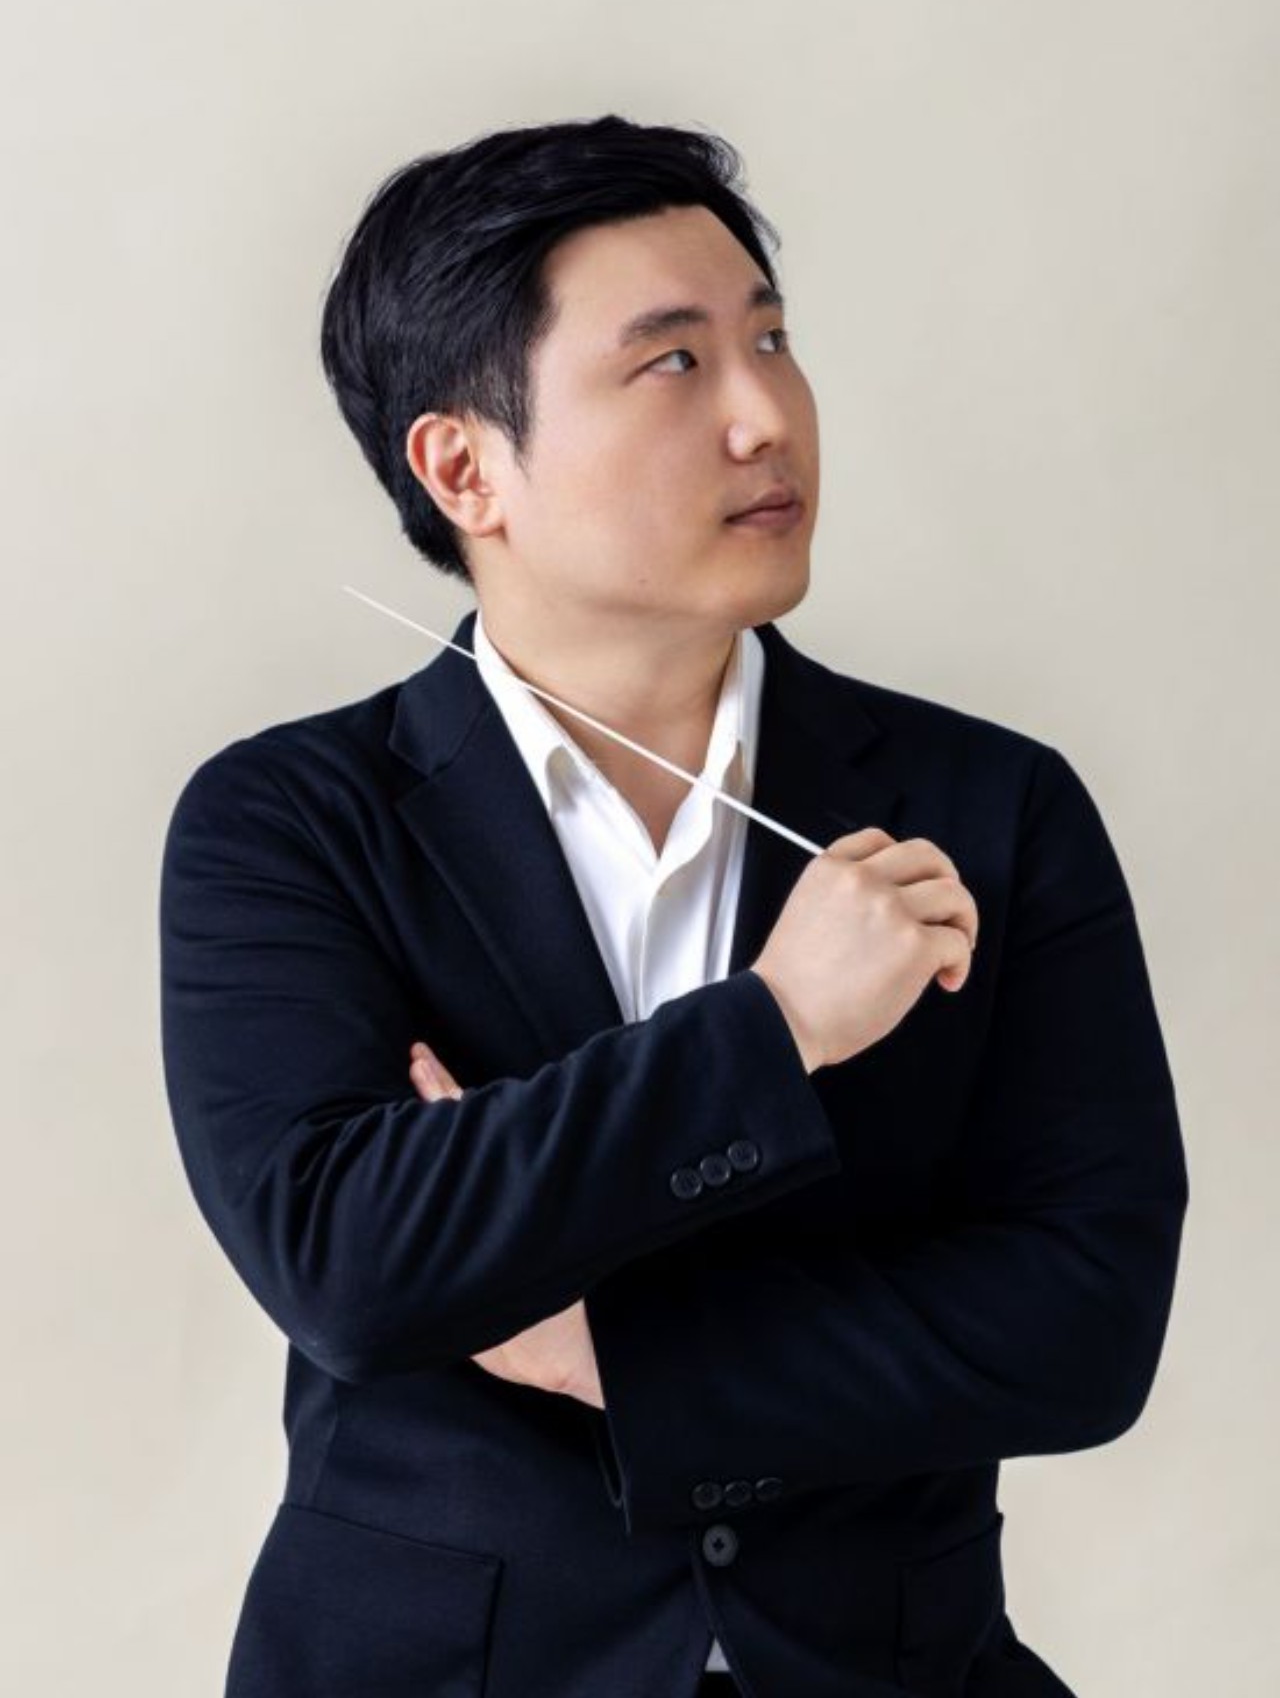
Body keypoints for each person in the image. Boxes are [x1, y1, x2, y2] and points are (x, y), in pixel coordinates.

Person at [158, 114, 1190, 1698]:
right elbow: (355, 1263)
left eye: (770, 342)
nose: (766, 416)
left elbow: (1085, 1324)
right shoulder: (289, 821)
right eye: (673, 365)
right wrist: (776, 1029)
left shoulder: (990, 804)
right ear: (463, 468)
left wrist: (611, 1352)